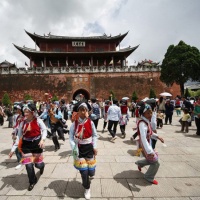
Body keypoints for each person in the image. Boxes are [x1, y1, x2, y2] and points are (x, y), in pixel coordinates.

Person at [9, 103, 47, 191]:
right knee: (28, 165)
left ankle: (42, 166)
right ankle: (32, 181)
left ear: (32, 112)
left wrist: (42, 140)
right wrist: (12, 150)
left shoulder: (38, 120)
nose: (25, 113)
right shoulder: (22, 123)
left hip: (36, 144)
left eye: (27, 112)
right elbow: (19, 137)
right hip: (26, 145)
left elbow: (44, 129)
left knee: (38, 165)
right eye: (24, 111)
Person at [69, 101, 97, 200]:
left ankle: (91, 174)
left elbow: (94, 135)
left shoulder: (91, 122)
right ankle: (87, 188)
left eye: (84, 110)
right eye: (81, 110)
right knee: (84, 172)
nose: (83, 111)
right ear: (78, 112)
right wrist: (74, 147)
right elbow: (71, 137)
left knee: (91, 172)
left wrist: (95, 146)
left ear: (87, 111)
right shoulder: (74, 124)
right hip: (79, 149)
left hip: (89, 148)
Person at [135, 103, 164, 185]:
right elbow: (143, 138)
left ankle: (139, 163)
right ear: (143, 113)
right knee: (156, 163)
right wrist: (149, 151)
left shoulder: (146, 121)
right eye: (148, 113)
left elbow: (150, 132)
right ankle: (148, 176)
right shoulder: (142, 123)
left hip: (147, 144)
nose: (150, 114)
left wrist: (158, 136)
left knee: (152, 160)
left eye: (151, 112)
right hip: (145, 146)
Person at [12, 104, 24, 169]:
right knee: (17, 149)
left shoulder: (25, 117)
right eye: (17, 109)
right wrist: (13, 132)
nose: (17, 110)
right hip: (18, 135)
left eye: (18, 109)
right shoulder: (18, 117)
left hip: (24, 136)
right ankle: (20, 162)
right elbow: (16, 126)